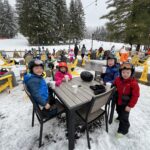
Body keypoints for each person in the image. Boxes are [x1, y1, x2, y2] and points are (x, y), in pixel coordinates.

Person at [113, 62, 140, 137]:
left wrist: (130, 106)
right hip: (119, 101)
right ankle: (119, 116)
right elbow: (115, 83)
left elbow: (135, 96)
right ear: (120, 72)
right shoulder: (118, 79)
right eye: (123, 72)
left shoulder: (133, 83)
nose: (125, 74)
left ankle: (123, 130)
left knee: (124, 117)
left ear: (131, 73)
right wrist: (113, 86)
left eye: (128, 73)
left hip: (126, 104)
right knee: (118, 110)